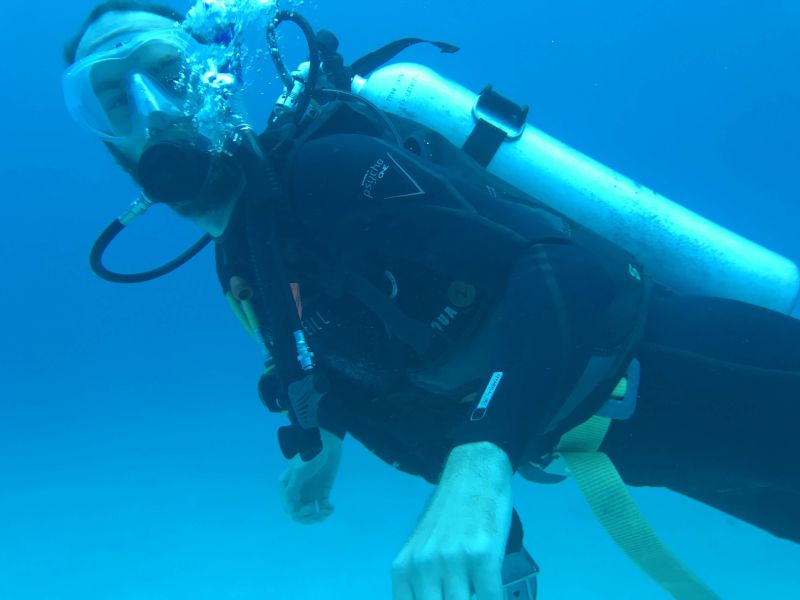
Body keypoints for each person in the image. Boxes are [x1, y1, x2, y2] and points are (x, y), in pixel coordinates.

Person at [63, 2, 800, 598]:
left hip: (693, 362)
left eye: (167, 73)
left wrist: (482, 464)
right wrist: (331, 439)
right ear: (104, 140)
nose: (151, 107)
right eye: (111, 98)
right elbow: (387, 384)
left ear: (214, 76)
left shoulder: (330, 168)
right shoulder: (243, 257)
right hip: (635, 437)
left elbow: (566, 271)